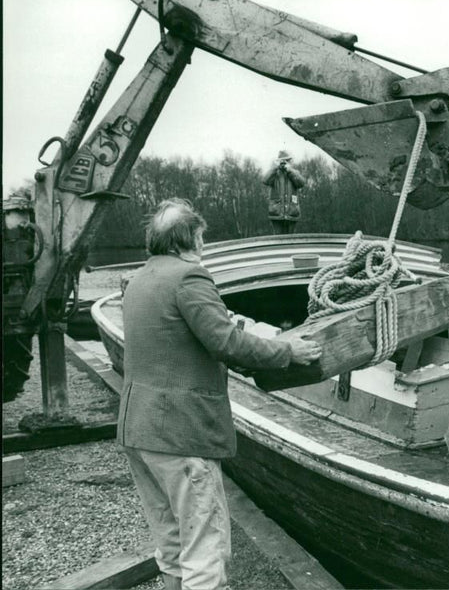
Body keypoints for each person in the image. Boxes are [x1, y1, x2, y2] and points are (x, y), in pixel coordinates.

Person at [117, 198, 321, 590]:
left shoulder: (140, 280)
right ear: (190, 237)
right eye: (201, 235)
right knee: (205, 553)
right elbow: (224, 341)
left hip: (138, 430)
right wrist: (287, 350)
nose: (204, 243)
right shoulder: (190, 278)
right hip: (180, 434)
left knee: (172, 544)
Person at [263, 150, 306, 234]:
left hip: (292, 213)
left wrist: (290, 171)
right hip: (276, 213)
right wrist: (275, 168)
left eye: (286, 161)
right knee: (278, 240)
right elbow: (265, 180)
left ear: (290, 162)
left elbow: (301, 183)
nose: (283, 163)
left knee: (291, 240)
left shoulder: (294, 173)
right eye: (282, 161)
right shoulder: (274, 174)